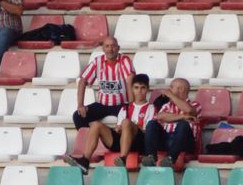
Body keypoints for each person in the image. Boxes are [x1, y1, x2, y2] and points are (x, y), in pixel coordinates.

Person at [65, 35, 135, 172]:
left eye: (113, 46)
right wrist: (81, 105)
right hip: (102, 104)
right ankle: (91, 147)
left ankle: (118, 147)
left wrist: (131, 106)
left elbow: (129, 82)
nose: (110, 49)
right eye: (107, 46)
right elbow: (83, 81)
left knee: (127, 121)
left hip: (121, 103)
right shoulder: (98, 62)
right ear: (103, 48)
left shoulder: (124, 60)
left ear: (118, 48)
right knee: (78, 116)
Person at [69, 73, 154, 173]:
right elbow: (118, 127)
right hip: (123, 139)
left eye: (143, 88)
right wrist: (120, 128)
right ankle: (85, 161)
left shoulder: (151, 108)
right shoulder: (125, 108)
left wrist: (130, 126)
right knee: (96, 125)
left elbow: (149, 132)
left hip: (138, 142)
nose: (139, 91)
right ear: (132, 89)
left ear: (148, 89)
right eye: (136, 88)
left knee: (126, 122)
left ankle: (123, 159)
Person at [142, 77, 201, 170]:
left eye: (172, 87)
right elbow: (160, 116)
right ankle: (151, 157)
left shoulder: (195, 104)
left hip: (186, 142)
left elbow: (189, 110)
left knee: (183, 125)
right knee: (152, 124)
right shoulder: (167, 105)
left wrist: (171, 95)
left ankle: (171, 158)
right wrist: (182, 117)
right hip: (167, 139)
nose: (169, 89)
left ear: (181, 89)